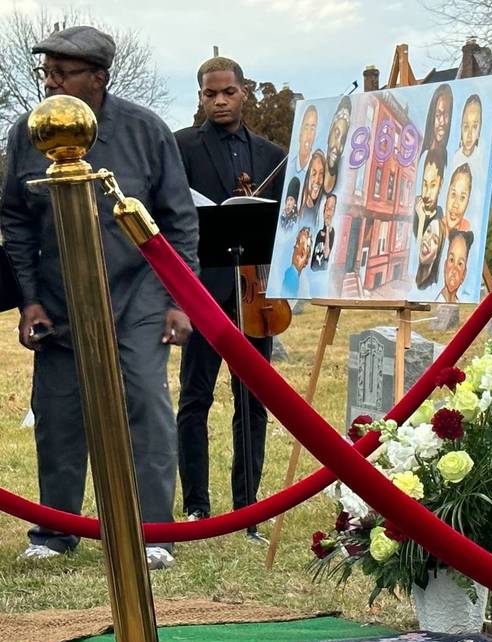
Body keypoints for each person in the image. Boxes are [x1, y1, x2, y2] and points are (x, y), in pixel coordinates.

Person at [2, 25, 198, 568]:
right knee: (59, 413)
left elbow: (178, 224)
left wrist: (178, 301)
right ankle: (54, 532)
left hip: (139, 293)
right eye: (46, 73)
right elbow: (15, 222)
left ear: (98, 79)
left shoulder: (145, 131)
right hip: (60, 298)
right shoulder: (27, 133)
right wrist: (29, 300)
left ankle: (153, 533)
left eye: (62, 74)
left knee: (145, 406)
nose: (50, 84)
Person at [174, 56, 286, 544]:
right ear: (200, 96)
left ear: (244, 93)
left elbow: (288, 221)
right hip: (202, 291)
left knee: (252, 401)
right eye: (209, 94)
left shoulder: (271, 155)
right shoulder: (181, 147)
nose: (219, 101)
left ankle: (248, 510)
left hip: (253, 294)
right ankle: (198, 507)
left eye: (228, 92)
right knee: (194, 398)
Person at [413, 149, 447, 290]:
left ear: (441, 185)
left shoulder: (440, 219)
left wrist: (422, 221)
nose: (426, 194)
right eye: (424, 184)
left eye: (432, 185)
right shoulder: (413, 212)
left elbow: (419, 253)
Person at [323, 97, 351, 194]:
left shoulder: (343, 182)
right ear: (330, 131)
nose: (337, 146)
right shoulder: (315, 172)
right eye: (337, 134)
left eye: (343, 139)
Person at [437, 230, 473, 304]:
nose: (454, 270)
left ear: (464, 274)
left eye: (460, 264)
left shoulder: (463, 303)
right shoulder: (436, 301)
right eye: (451, 259)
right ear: (444, 266)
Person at [311, 193, 337, 272]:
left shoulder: (332, 232)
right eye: (327, 208)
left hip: (322, 272)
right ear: (324, 210)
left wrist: (328, 228)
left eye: (331, 208)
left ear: (334, 212)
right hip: (313, 269)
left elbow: (326, 254)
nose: (328, 212)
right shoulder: (318, 232)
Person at [294, 104, 318, 175]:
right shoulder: (289, 166)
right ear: (300, 131)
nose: (309, 134)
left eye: (312, 129)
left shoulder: (317, 171)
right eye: (306, 128)